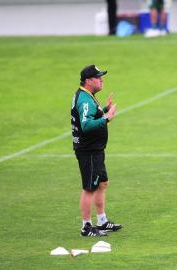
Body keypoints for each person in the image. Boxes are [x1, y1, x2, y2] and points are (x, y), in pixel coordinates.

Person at [71, 64, 122, 237]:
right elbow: (86, 125)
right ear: (88, 81)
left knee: (102, 183)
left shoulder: (87, 96)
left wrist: (104, 110)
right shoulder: (85, 99)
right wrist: (107, 118)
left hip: (95, 149)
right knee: (89, 188)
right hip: (89, 150)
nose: (101, 79)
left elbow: (91, 115)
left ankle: (102, 222)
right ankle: (86, 226)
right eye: (98, 77)